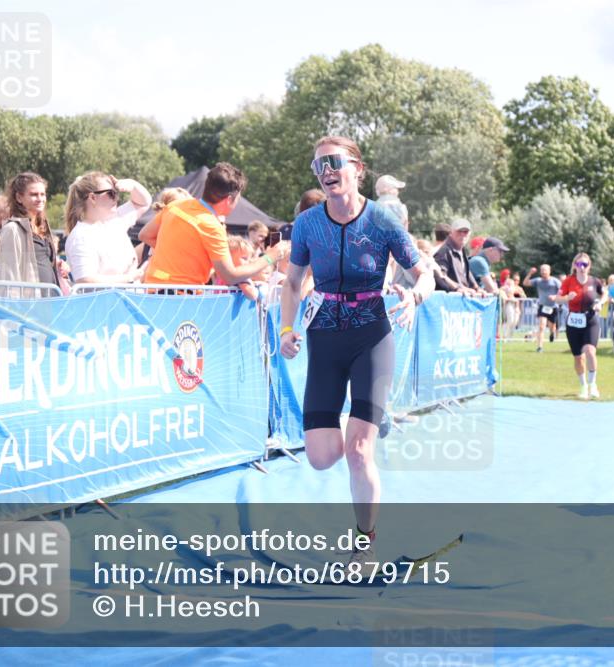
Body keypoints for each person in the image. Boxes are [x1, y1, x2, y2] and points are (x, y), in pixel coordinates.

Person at [279, 135, 435, 566]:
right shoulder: (309, 223)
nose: (326, 172)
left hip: (371, 334)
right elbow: (292, 282)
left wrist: (414, 296)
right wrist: (286, 328)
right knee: (321, 457)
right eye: (317, 167)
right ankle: (362, 417)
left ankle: (364, 544)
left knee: (359, 451)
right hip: (324, 335)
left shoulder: (383, 220)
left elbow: (425, 274)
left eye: (333, 163)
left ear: (357, 169)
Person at [139, 163, 285, 288]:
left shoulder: (176, 205)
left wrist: (179, 253)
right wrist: (269, 257)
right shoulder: (213, 227)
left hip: (152, 290)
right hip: (182, 300)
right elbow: (230, 276)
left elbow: (145, 235)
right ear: (229, 200)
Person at [64, 172, 151, 284]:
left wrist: (132, 185)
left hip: (126, 297)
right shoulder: (81, 236)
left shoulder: (116, 220)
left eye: (116, 193)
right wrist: (129, 278)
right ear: (93, 198)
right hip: (103, 300)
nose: (116, 198)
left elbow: (144, 202)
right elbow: (86, 279)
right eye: (111, 193)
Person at [0, 172, 66, 296]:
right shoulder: (12, 229)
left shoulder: (43, 227)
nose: (40, 199)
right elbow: (8, 276)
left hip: (52, 303)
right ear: (19, 198)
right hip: (30, 306)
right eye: (34, 194)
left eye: (43, 194)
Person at [552, 252, 605, 399]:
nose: (582, 267)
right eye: (579, 264)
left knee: (590, 351)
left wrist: (600, 303)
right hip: (574, 322)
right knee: (578, 357)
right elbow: (557, 298)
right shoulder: (569, 281)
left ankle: (593, 384)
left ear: (589, 266)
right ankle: (583, 386)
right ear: (575, 266)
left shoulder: (595, 281)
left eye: (585, 265)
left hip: (590, 320)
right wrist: (566, 298)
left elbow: (604, 294)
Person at [433, 218, 482, 294]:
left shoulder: (460, 250)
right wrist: (457, 288)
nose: (462, 234)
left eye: (465, 232)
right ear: (451, 233)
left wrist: (477, 288)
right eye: (459, 231)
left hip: (460, 299)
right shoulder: (444, 251)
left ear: (469, 233)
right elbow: (440, 276)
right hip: (448, 302)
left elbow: (467, 273)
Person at [524, 264, 560, 352]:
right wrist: (530, 273)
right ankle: (540, 347)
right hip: (542, 306)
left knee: (552, 326)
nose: (544, 272)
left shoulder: (555, 281)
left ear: (549, 271)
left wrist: (555, 296)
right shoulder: (538, 281)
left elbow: (562, 291)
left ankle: (552, 333)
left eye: (545, 270)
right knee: (541, 326)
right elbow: (525, 283)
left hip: (553, 307)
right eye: (542, 270)